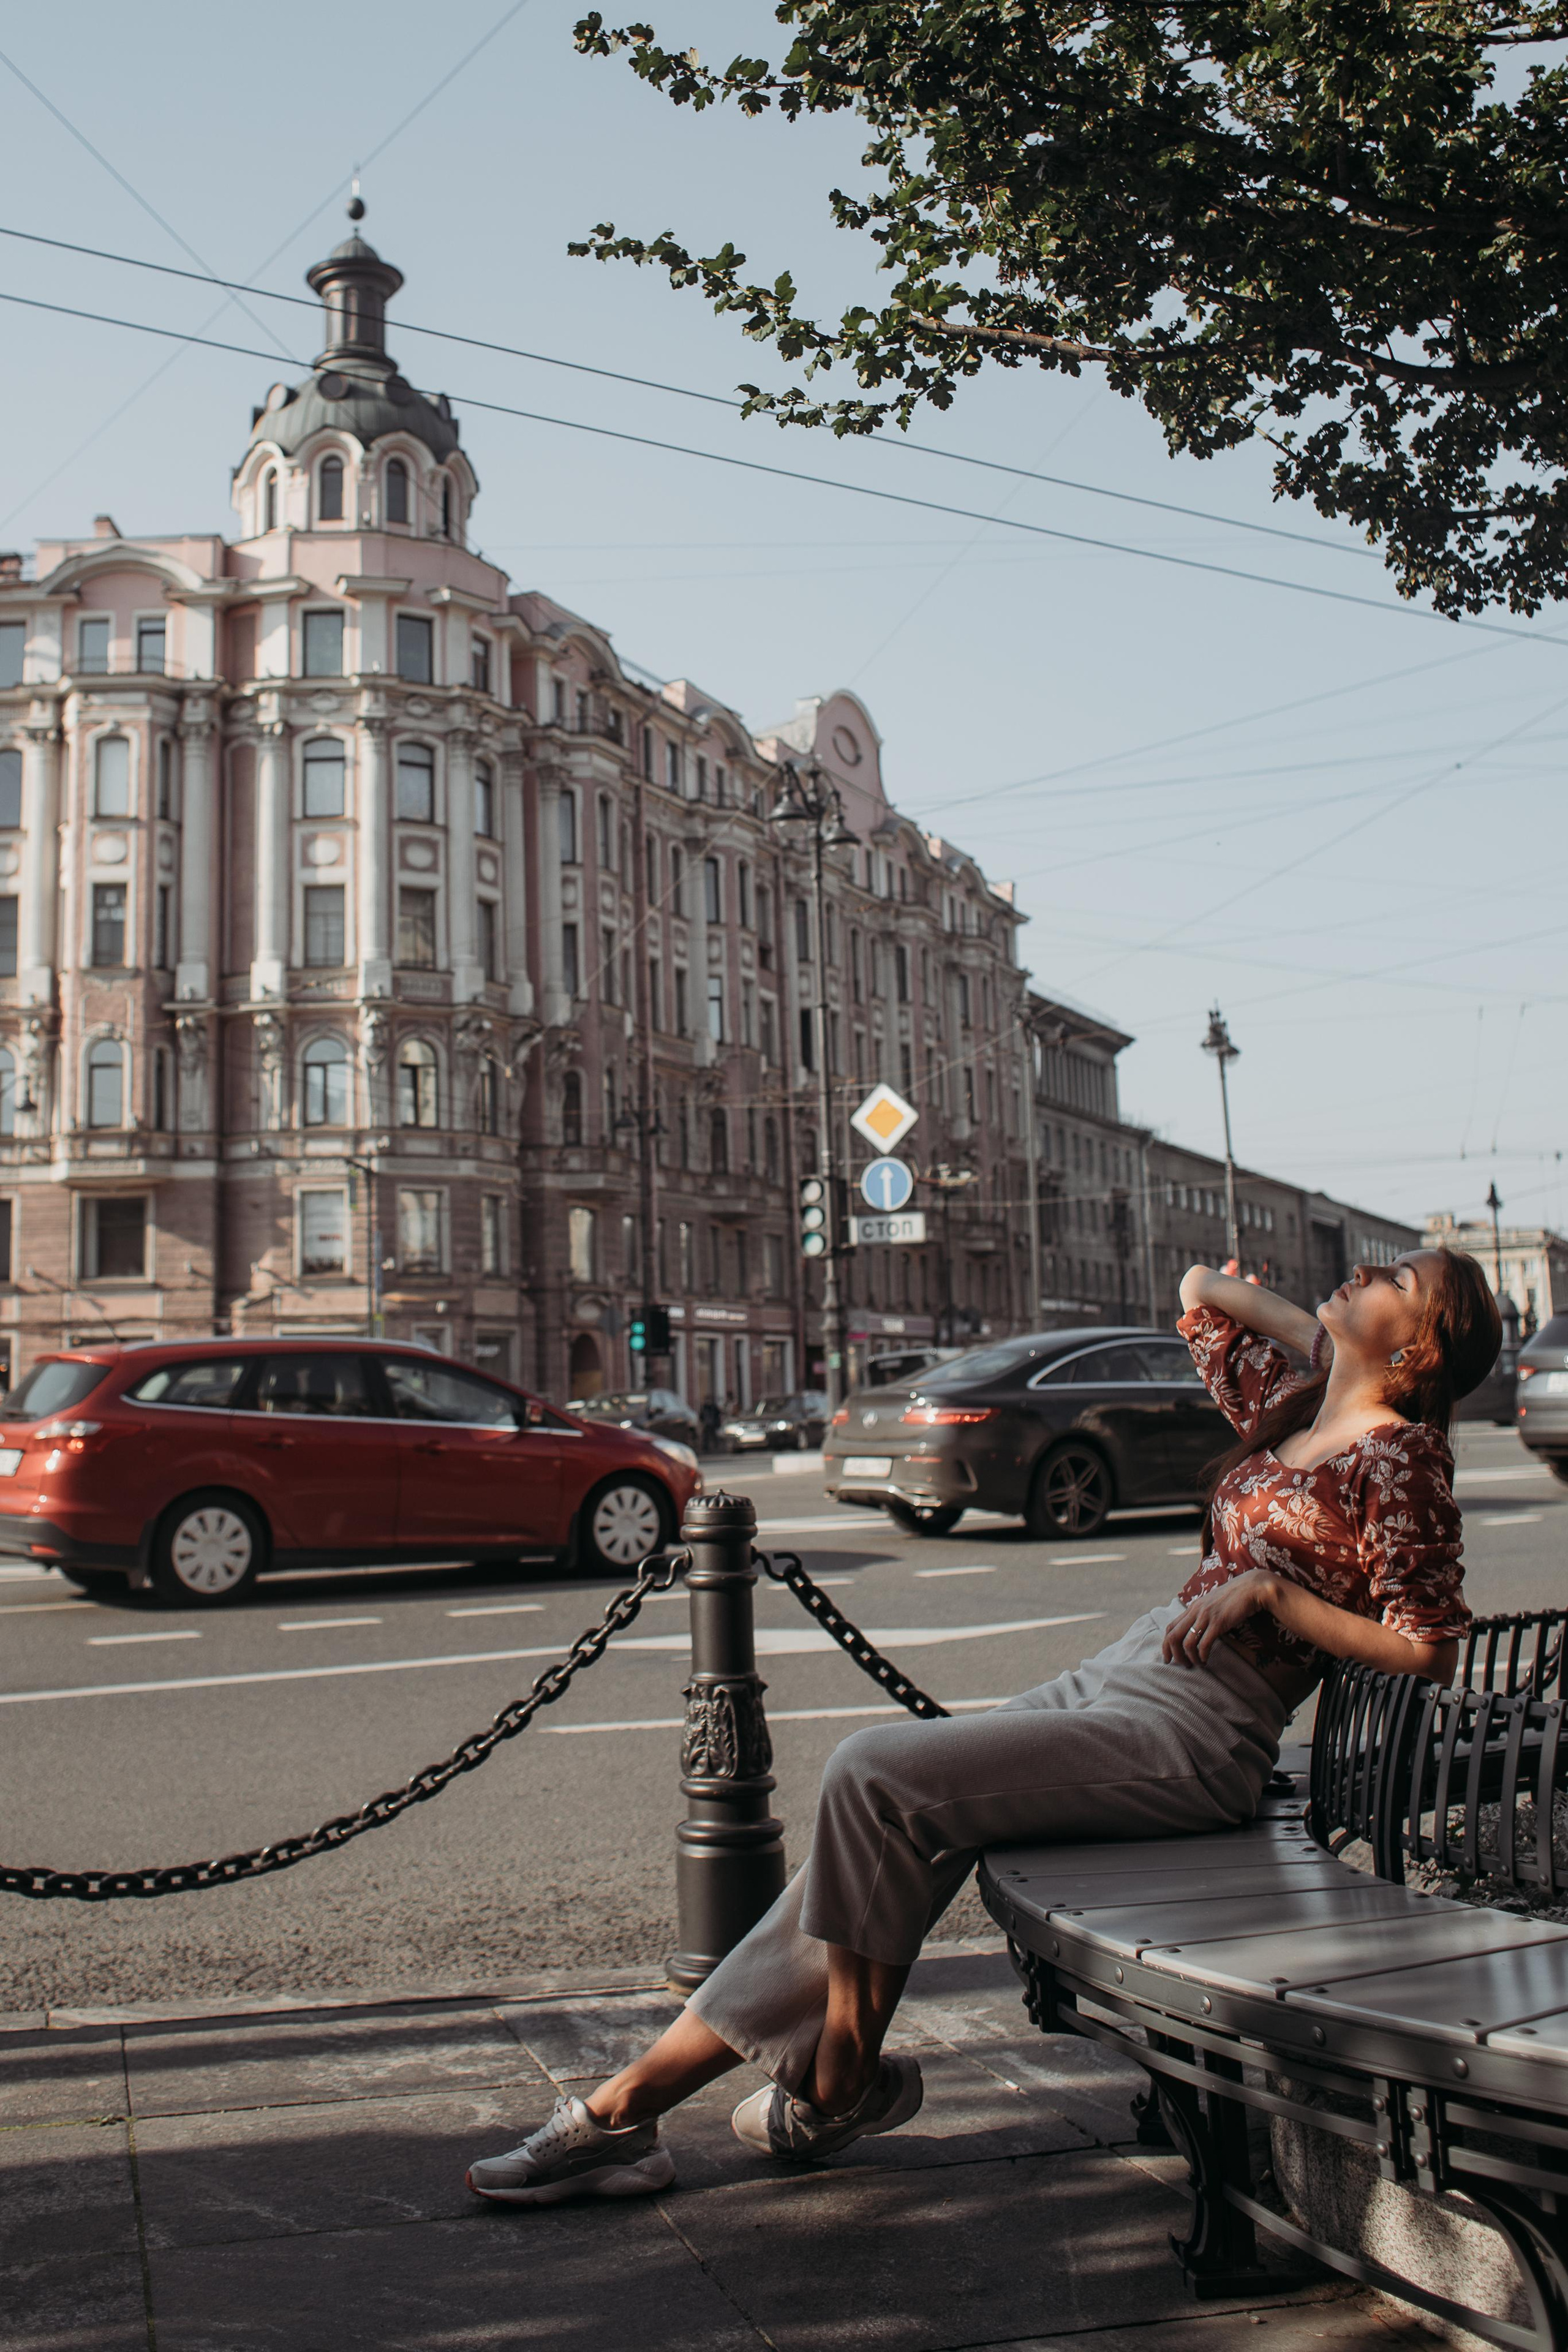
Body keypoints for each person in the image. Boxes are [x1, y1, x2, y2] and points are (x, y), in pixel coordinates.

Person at [467, 1249, 1501, 2206]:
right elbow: (1197, 1290)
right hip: (1128, 1672)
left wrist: (1277, 1602)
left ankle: (814, 2082)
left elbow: (1431, 1645)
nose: (1363, 1268)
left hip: (1200, 1729)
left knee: (874, 1773)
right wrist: (1331, 1341)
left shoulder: (1401, 1458)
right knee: (877, 1828)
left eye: (1394, 1279)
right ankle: (651, 2106)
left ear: (1418, 1346)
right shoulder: (1297, 1405)